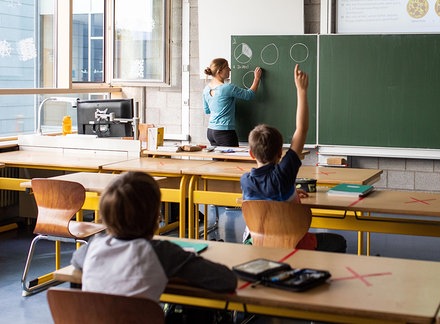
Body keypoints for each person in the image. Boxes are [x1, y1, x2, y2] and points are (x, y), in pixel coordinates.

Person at [70, 171, 237, 301]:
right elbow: (226, 280)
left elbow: (76, 260)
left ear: (106, 214)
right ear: (156, 216)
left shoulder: (93, 246)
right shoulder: (162, 253)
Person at [240, 64, 347, 253]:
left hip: (256, 243)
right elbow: (302, 130)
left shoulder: (246, 180)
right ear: (280, 153)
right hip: (293, 243)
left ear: (250, 153)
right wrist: (301, 90)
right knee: (338, 241)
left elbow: (267, 200)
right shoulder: (284, 174)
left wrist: (292, 196)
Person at [203, 58, 262, 147]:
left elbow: (207, 111)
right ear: (220, 71)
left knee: (218, 161)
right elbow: (249, 95)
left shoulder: (206, 89)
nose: (230, 69)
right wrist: (257, 79)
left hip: (211, 131)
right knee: (233, 160)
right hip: (224, 133)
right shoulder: (227, 88)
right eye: (227, 67)